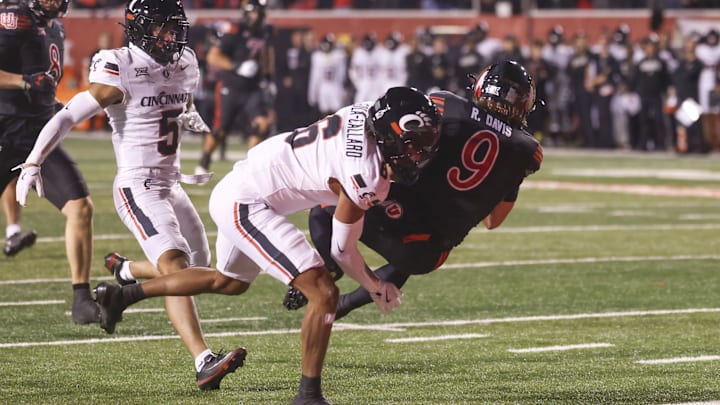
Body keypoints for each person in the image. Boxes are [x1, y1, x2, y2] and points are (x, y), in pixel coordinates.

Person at [90, 86, 441, 405]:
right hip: (249, 201)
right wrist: (375, 285)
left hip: (248, 179)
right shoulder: (366, 174)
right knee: (323, 292)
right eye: (414, 145)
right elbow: (341, 251)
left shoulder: (365, 112)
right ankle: (308, 396)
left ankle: (122, 296)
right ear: (390, 137)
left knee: (228, 283)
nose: (420, 154)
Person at [15, 0, 246, 391]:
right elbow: (70, 114)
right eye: (162, 28)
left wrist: (186, 112)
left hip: (171, 183)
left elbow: (178, 95)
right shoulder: (119, 64)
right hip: (139, 185)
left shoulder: (185, 60)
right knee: (178, 271)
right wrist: (35, 160)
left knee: (201, 269)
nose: (171, 36)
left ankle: (126, 271)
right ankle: (203, 360)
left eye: (174, 28)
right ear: (140, 28)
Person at [283, 61, 543, 320]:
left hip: (397, 211)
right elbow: (492, 221)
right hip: (429, 253)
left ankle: (327, 268)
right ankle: (345, 304)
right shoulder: (527, 152)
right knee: (414, 252)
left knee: (326, 209)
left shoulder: (447, 104)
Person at [0, 0, 99, 324]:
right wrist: (23, 82)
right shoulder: (12, 19)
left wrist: (53, 105)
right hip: (5, 129)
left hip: (38, 135)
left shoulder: (54, 25)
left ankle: (81, 297)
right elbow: (26, 79)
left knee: (80, 208)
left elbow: (44, 84)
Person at [195, 0, 275, 174]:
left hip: (253, 88)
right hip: (231, 87)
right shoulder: (234, 30)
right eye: (256, 13)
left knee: (262, 125)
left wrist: (269, 77)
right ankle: (205, 159)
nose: (258, 17)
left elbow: (267, 53)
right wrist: (236, 66)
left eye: (261, 13)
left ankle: (250, 167)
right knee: (220, 131)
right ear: (247, 13)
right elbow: (213, 56)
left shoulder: (264, 31)